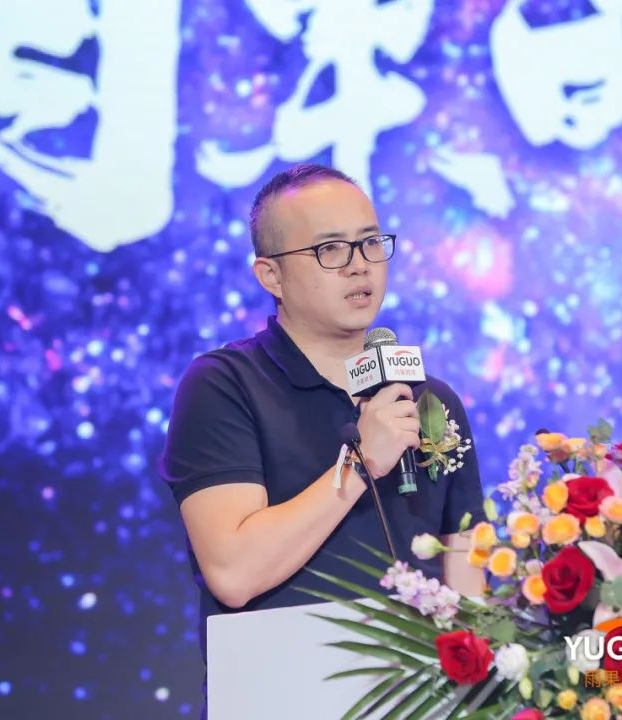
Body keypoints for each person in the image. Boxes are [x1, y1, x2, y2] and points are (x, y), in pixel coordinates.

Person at [158, 163, 485, 682]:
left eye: (370, 243)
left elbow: (465, 569)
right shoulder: (224, 386)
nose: (360, 266)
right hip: (284, 692)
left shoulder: (429, 399)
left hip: (419, 697)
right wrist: (361, 463)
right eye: (330, 249)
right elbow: (234, 573)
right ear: (271, 276)